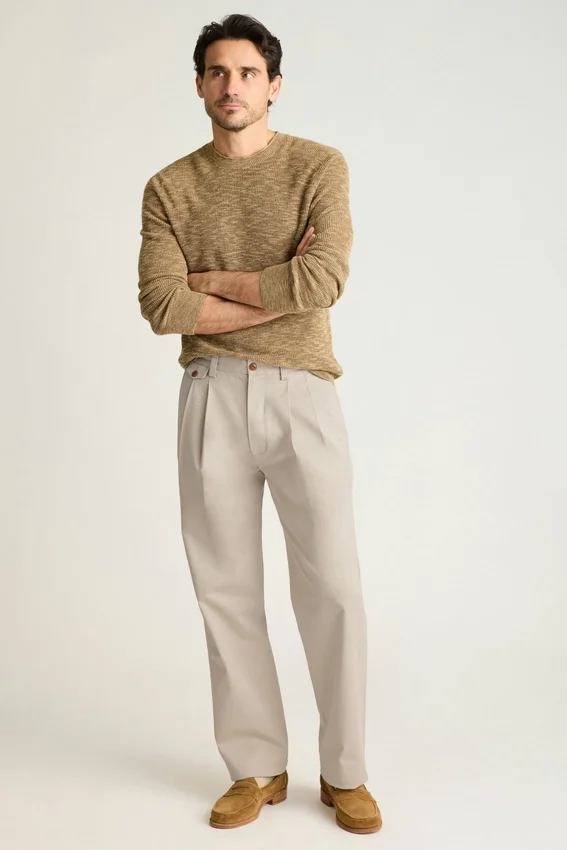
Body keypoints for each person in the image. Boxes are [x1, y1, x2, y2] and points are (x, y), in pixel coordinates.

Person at [137, 12, 382, 835]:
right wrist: (274, 285)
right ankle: (255, 766)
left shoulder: (317, 166)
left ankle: (344, 771)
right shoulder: (169, 188)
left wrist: (212, 283)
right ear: (199, 84)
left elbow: (323, 280)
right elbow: (161, 306)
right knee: (225, 589)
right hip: (209, 393)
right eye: (217, 71)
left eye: (247, 72)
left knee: (333, 588)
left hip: (301, 392)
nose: (231, 85)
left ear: (273, 85)